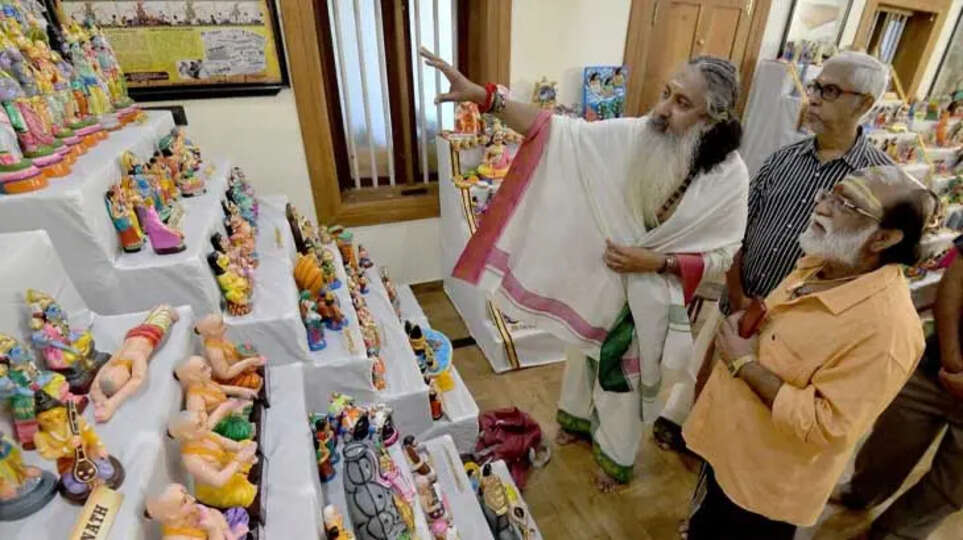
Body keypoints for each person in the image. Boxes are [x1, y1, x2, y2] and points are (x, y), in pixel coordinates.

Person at [420, 48, 749, 490]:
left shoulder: (731, 178)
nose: (663, 109)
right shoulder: (638, 134)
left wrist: (658, 261)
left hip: (651, 297)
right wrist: (484, 97)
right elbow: (558, 133)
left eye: (682, 103)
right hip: (603, 282)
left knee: (624, 382)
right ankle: (575, 423)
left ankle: (615, 458)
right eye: (666, 93)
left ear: (713, 118)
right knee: (581, 356)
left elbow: (724, 253)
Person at [653, 51, 895, 450]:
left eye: (829, 91)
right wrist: (736, 294)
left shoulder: (877, 182)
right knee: (714, 371)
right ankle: (696, 437)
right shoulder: (783, 159)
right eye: (815, 86)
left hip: (799, 323)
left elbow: (861, 268)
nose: (813, 98)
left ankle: (724, 455)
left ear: (865, 104)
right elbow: (739, 232)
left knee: (758, 404)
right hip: (740, 299)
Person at [682, 166, 934, 538]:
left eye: (847, 204)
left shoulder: (889, 331)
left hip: (764, 488)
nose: (824, 207)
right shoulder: (822, 263)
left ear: (884, 238)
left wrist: (744, 362)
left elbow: (827, 425)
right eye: (831, 193)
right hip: (730, 448)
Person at [834, 234, 963, 539]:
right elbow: (956, 279)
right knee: (889, 443)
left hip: (944, 365)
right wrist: (952, 358)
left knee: (951, 487)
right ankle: (861, 492)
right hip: (939, 366)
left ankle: (894, 532)